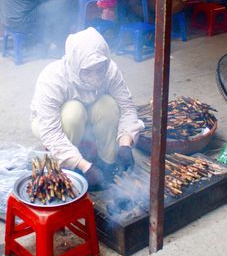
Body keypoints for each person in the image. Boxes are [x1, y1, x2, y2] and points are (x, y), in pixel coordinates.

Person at [31, 27, 144, 190]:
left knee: (109, 105)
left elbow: (127, 108)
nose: (96, 78)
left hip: (92, 112)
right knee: (73, 112)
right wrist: (84, 166)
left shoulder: (110, 70)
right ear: (75, 65)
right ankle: (69, 169)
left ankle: (108, 164)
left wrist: (126, 143)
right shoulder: (52, 79)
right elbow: (51, 132)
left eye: (100, 70)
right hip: (51, 122)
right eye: (88, 72)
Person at [0, 0, 74, 55]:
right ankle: (57, 44)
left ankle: (44, 40)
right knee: (60, 3)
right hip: (20, 22)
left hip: (6, 21)